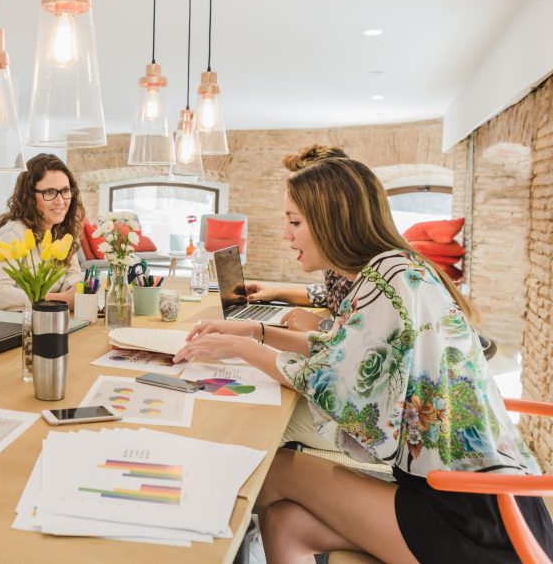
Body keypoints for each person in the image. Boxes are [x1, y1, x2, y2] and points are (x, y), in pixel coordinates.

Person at [175, 157, 552, 563]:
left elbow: (332, 382)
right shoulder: (394, 270)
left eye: (295, 222)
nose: (285, 234)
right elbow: (340, 348)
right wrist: (252, 332)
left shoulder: (386, 279)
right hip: (485, 499)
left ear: (331, 221)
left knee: (269, 469)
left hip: (471, 514)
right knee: (287, 522)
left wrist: (242, 348)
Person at [245, 145, 352, 333]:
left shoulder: (376, 276)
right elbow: (331, 294)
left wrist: (320, 325)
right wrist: (274, 292)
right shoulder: (340, 263)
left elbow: (359, 340)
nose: (286, 234)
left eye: (295, 221)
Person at [0, 153, 84, 310]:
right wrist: (56, 300)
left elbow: (74, 276)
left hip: (55, 321)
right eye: (50, 192)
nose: (61, 201)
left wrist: (78, 289)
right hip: (21, 329)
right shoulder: (14, 232)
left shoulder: (63, 231)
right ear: (30, 196)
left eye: (65, 190)